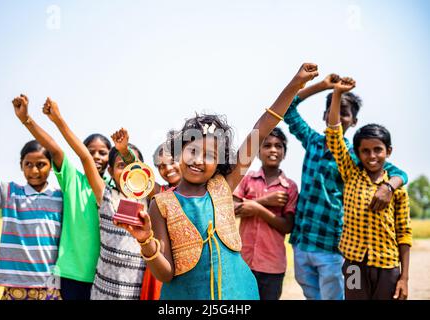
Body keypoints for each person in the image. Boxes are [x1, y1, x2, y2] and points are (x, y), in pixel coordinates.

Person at [118, 63, 320, 300]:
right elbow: (165, 274)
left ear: (220, 162)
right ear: (179, 152)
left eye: (210, 156)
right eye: (192, 150)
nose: (198, 160)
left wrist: (294, 84)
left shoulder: (224, 185)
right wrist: (145, 241)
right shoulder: (161, 204)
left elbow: (261, 130)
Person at [283, 75, 409, 300]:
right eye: (333, 110)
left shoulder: (355, 158)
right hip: (302, 240)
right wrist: (324, 86)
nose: (339, 117)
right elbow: (288, 109)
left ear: (354, 120)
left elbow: (399, 173)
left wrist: (389, 186)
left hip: (332, 244)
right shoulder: (312, 141)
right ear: (325, 115)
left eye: (345, 112)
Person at [12, 94, 111, 300]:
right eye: (90, 152)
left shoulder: (115, 189)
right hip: (71, 274)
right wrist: (26, 119)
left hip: (106, 275)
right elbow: (54, 148)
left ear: (111, 157)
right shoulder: (72, 179)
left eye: (102, 152)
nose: (96, 157)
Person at [325, 77, 412, 300]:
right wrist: (336, 94)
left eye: (378, 150)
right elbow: (334, 134)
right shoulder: (351, 173)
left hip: (387, 267)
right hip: (354, 264)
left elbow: (404, 234)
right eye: (365, 151)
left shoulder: (398, 190)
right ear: (357, 152)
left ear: (388, 151)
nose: (372, 156)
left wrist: (404, 278)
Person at [0, 98, 63, 300]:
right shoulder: (11, 194)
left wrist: (26, 119)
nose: (34, 170)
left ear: (51, 166)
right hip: (15, 285)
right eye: (28, 164)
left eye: (41, 164)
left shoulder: (61, 198)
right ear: (21, 165)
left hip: (50, 284)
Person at [233, 127, 298, 300]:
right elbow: (231, 209)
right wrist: (264, 202)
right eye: (267, 145)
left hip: (272, 265)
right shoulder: (247, 179)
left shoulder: (289, 187)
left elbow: (287, 226)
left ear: (284, 153)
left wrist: (256, 209)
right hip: (244, 262)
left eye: (278, 146)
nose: (273, 150)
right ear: (258, 153)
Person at [140, 138, 182, 300]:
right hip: (163, 262)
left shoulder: (198, 189)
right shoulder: (160, 192)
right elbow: (140, 173)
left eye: (173, 162)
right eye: (161, 166)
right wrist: (124, 152)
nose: (168, 168)